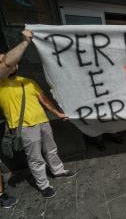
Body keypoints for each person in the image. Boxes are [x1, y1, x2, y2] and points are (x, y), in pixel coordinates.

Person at [0, 62, 76, 198]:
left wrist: (57, 113)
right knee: (35, 158)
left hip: (43, 121)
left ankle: (58, 170)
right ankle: (44, 186)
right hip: (24, 127)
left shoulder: (29, 82)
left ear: (17, 65)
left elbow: (44, 100)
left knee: (51, 149)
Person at [0, 30, 33, 208]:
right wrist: (25, 42)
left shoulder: (24, 81)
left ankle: (0, 195)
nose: (8, 64)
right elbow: (7, 63)